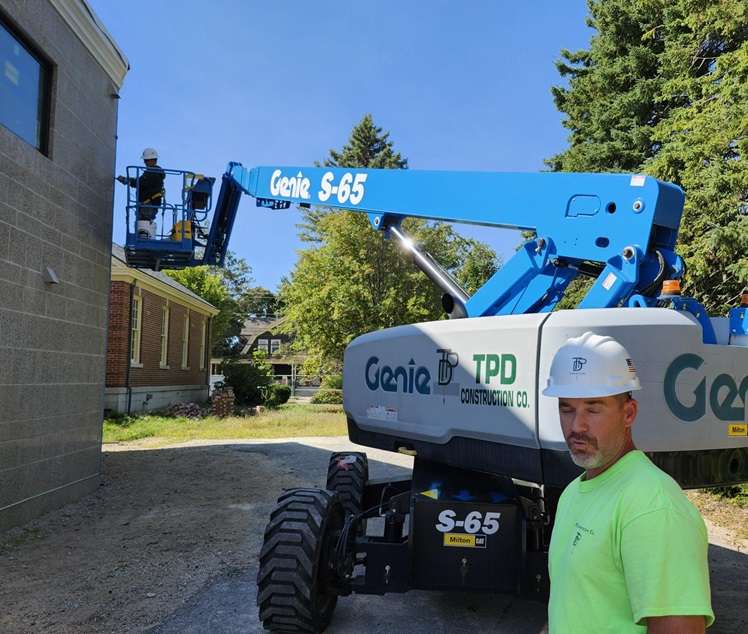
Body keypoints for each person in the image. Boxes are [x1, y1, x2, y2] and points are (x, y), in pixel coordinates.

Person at [543, 331, 714, 633]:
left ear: (629, 413)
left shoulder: (652, 505)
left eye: (593, 408)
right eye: (566, 408)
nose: (576, 426)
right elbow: (573, 605)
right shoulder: (573, 493)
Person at [117, 147, 165, 239]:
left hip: (148, 204)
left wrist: (126, 180)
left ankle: (144, 239)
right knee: (144, 223)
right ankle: (144, 238)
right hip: (150, 204)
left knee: (144, 223)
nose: (145, 163)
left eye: (146, 161)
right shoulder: (154, 172)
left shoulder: (152, 172)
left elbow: (140, 183)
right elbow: (141, 182)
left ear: (151, 160)